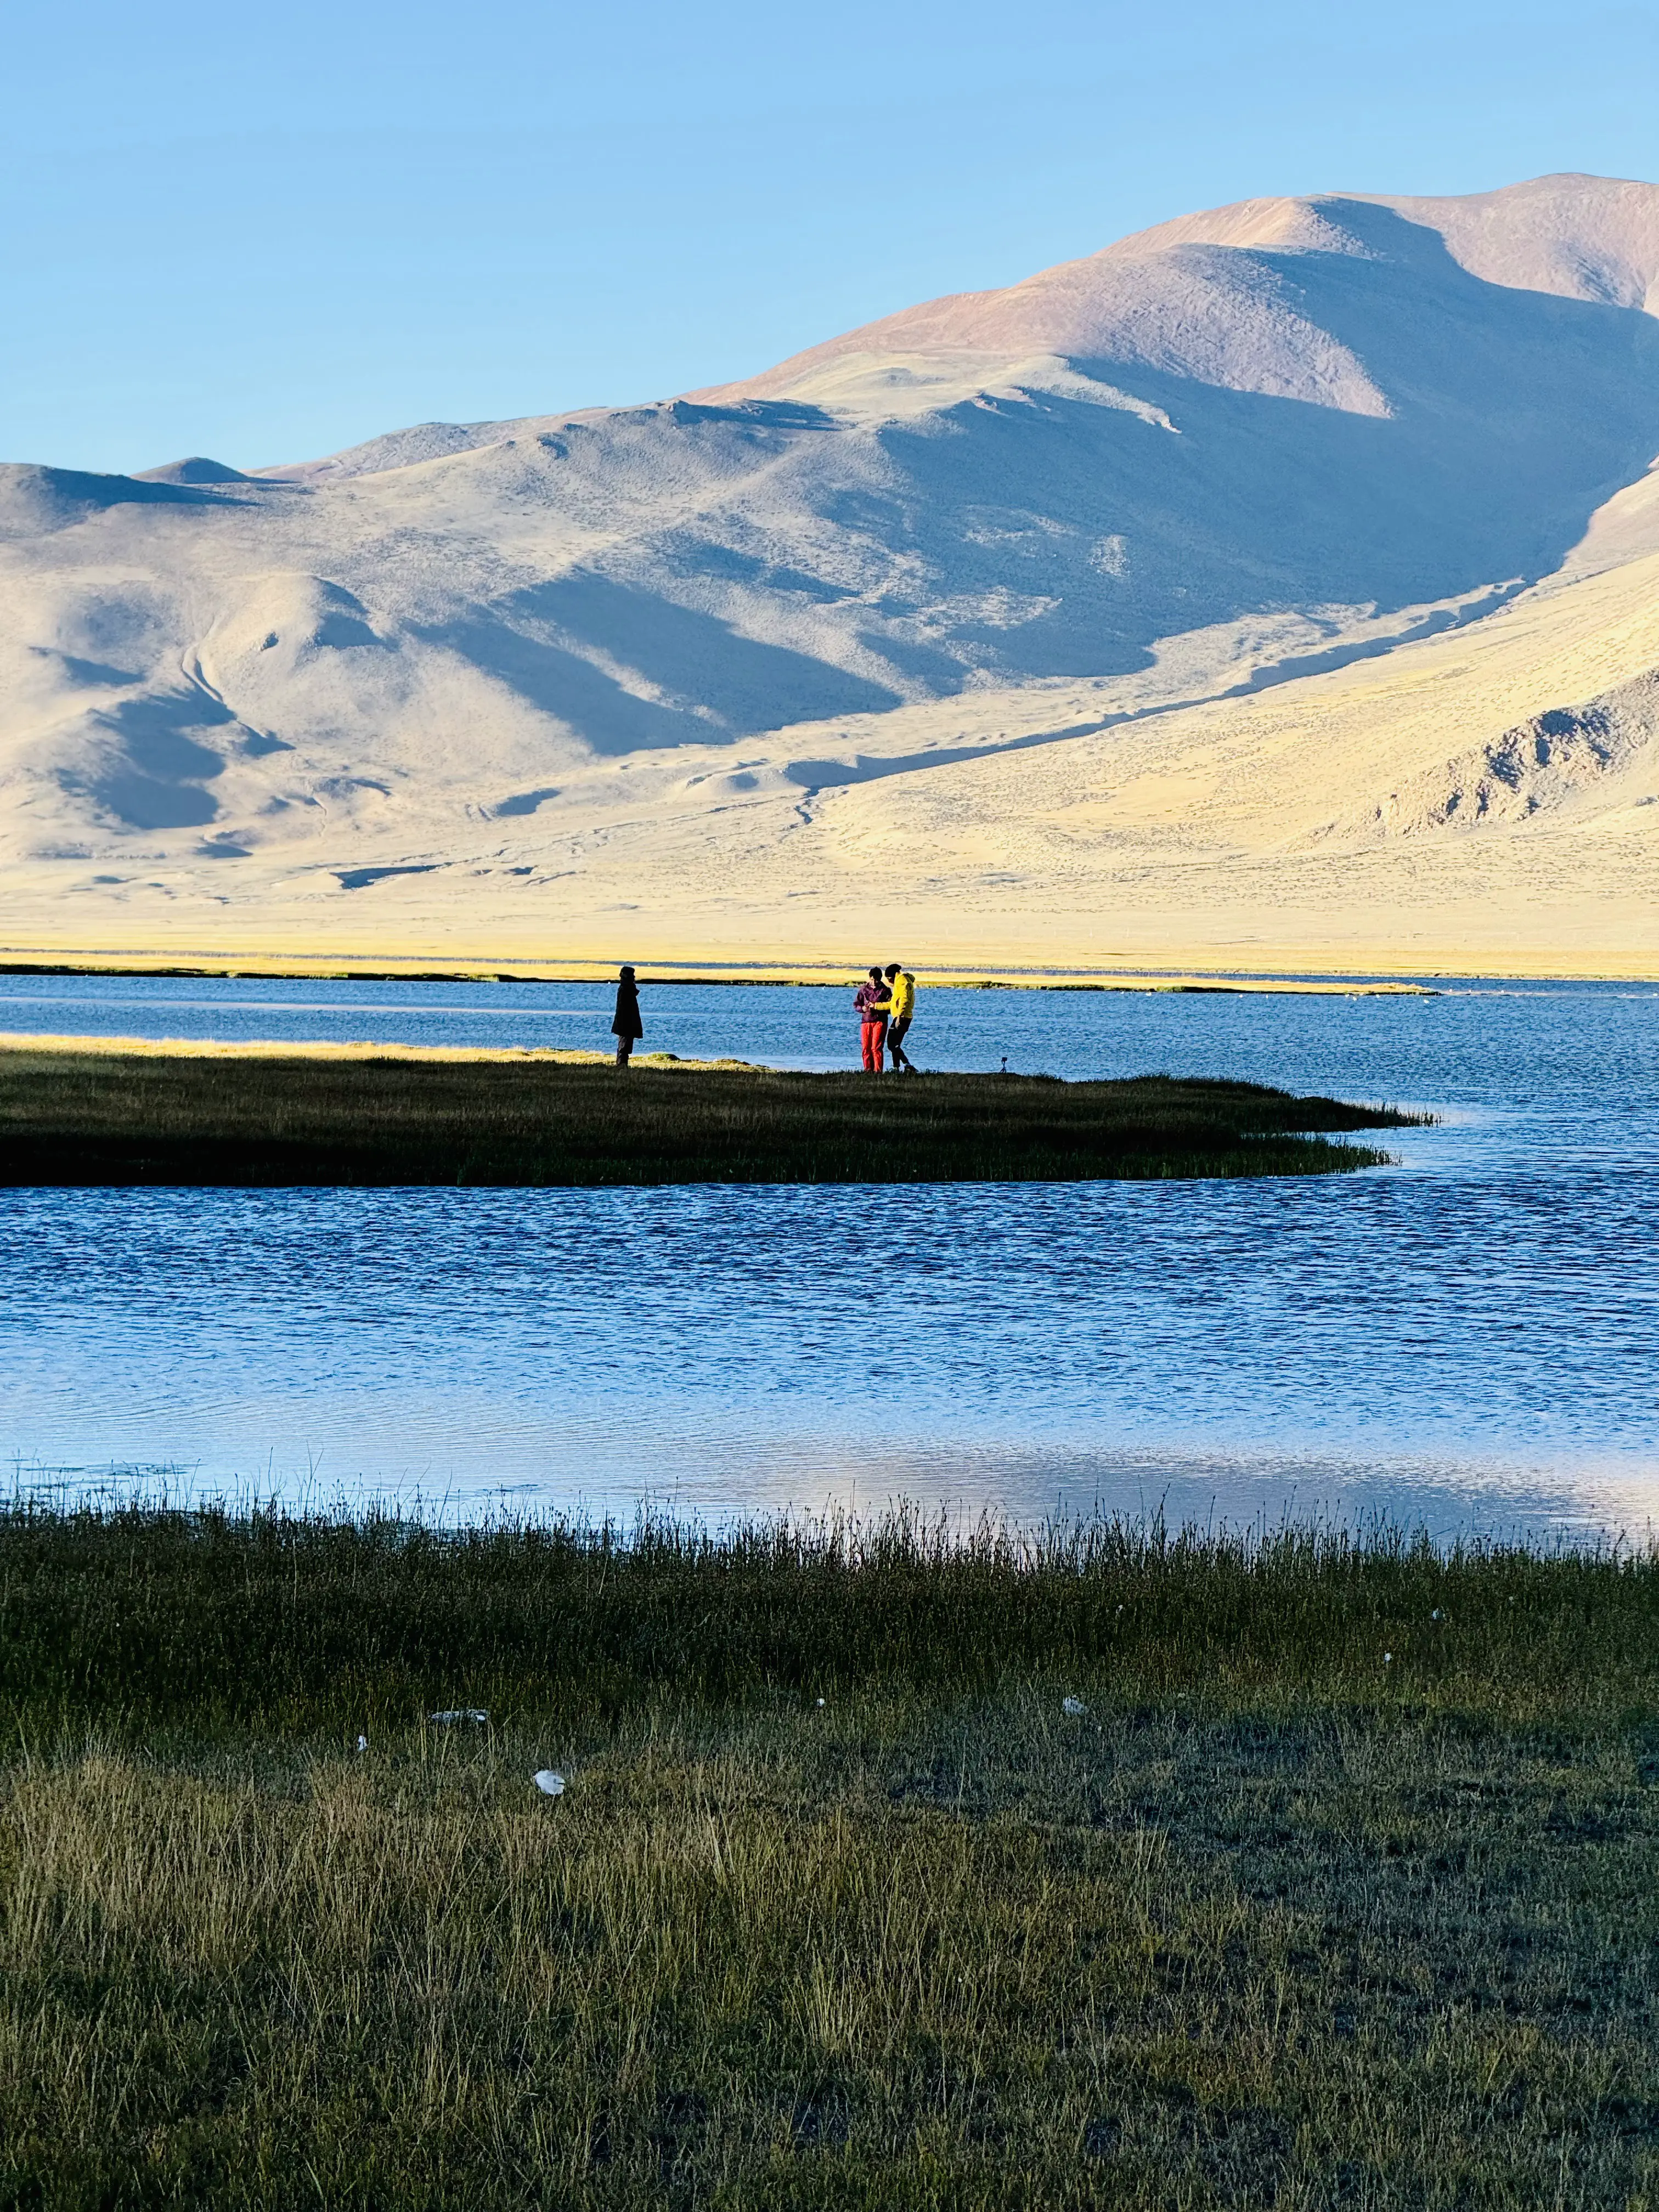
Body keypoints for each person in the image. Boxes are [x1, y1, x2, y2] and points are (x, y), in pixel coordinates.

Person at [853, 964, 889, 1073]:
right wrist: (863, 1008)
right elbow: (856, 1004)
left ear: (880, 979)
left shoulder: (885, 990)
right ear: (870, 978)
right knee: (866, 1047)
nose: (874, 982)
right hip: (866, 1021)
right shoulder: (864, 990)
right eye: (872, 979)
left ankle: (878, 1071)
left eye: (876, 980)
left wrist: (877, 1006)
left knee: (876, 1048)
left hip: (880, 1021)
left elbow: (890, 1007)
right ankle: (868, 1070)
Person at [884, 962, 917, 1073]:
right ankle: (897, 1068)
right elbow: (893, 1003)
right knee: (895, 1044)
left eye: (889, 979)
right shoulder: (899, 982)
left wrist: (899, 1016)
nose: (889, 982)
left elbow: (904, 1000)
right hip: (900, 1016)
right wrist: (874, 1006)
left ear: (894, 976)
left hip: (902, 1018)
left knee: (891, 1044)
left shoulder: (902, 981)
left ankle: (907, 1065)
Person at [611, 963, 642, 1067]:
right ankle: (621, 1065)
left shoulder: (625, 989)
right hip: (626, 1023)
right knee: (624, 1046)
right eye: (632, 976)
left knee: (626, 1045)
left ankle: (622, 1064)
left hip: (626, 1023)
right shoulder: (625, 989)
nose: (634, 978)